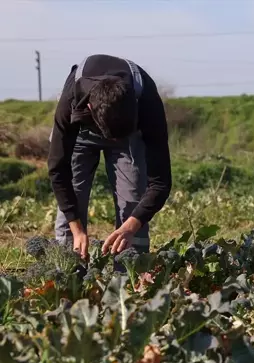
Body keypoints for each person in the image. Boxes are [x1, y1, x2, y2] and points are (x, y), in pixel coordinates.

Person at [48, 53, 172, 260]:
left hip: (129, 136)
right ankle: (68, 274)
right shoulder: (71, 99)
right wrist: (77, 229)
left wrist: (131, 226)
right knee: (73, 195)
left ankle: (128, 276)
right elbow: (58, 170)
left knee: (133, 199)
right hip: (80, 132)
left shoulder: (148, 102)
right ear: (90, 107)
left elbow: (161, 182)